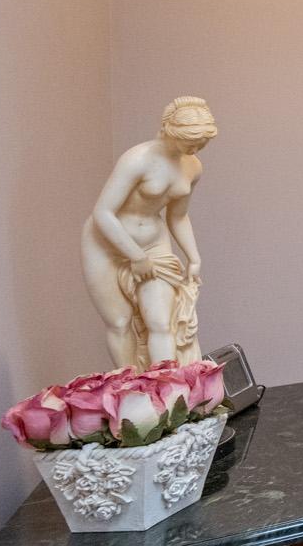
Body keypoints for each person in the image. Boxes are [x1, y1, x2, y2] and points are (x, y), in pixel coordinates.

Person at [82, 97, 218, 369]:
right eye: (191, 142)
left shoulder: (192, 166)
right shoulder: (137, 159)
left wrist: (194, 257)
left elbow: (177, 216)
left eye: (202, 144)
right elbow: (103, 213)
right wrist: (135, 256)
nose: (196, 149)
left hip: (153, 245)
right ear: (172, 131)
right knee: (120, 323)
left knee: (161, 320)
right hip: (106, 245)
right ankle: (130, 387)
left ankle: (167, 390)